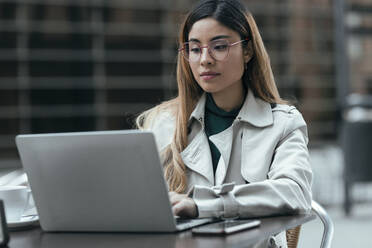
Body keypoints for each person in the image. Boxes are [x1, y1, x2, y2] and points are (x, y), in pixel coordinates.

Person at [137, 0, 312, 247]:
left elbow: (295, 193)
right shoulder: (163, 123)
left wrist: (203, 205)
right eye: (195, 49)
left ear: (248, 51)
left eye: (219, 47)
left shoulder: (283, 123)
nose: (205, 60)